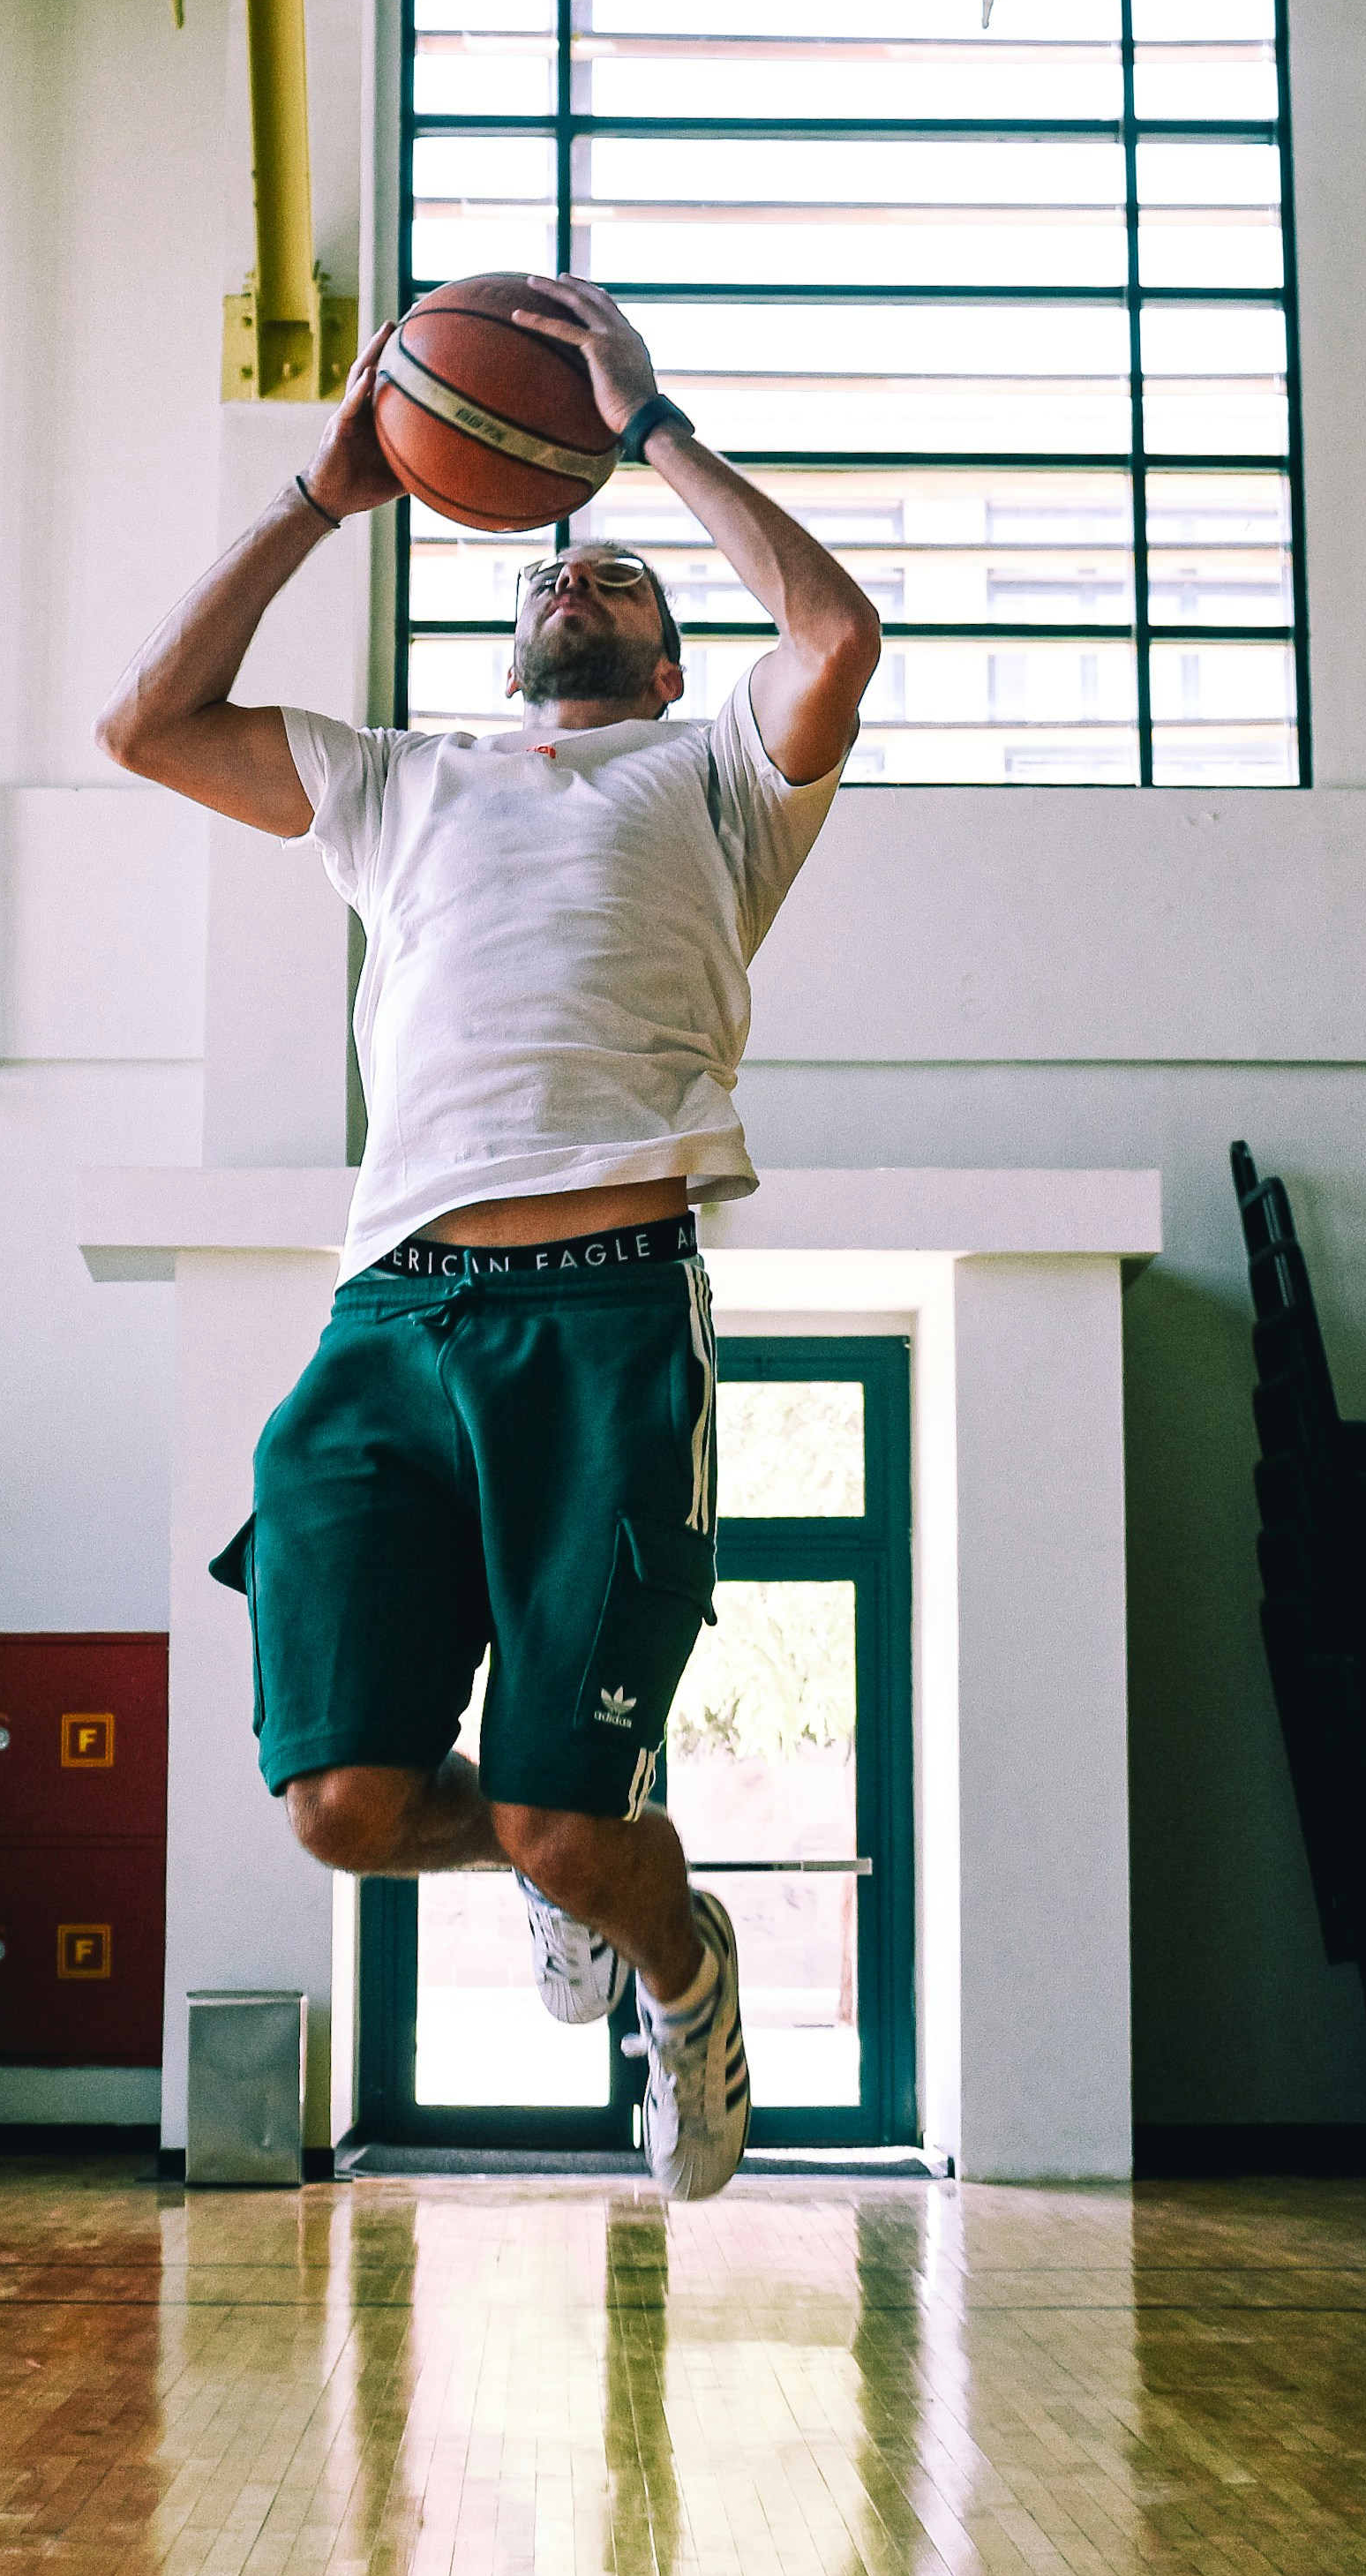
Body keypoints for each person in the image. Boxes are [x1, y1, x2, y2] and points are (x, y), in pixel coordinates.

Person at [95, 275, 881, 2200]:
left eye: (620, 580)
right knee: (348, 1807)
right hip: (395, 1307)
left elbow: (837, 628)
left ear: (670, 649)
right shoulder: (400, 780)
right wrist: (322, 486)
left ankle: (677, 1977)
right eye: (558, 576)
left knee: (556, 1816)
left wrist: (651, 429)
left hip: (604, 1313)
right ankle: (577, 1853)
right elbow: (145, 722)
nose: (580, 585)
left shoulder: (716, 781)